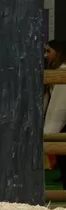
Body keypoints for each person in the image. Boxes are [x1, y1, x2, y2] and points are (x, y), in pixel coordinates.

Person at [44, 40, 66, 182]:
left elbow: (60, 104)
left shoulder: (63, 71)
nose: (46, 55)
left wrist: (51, 128)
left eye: (49, 51)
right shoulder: (56, 70)